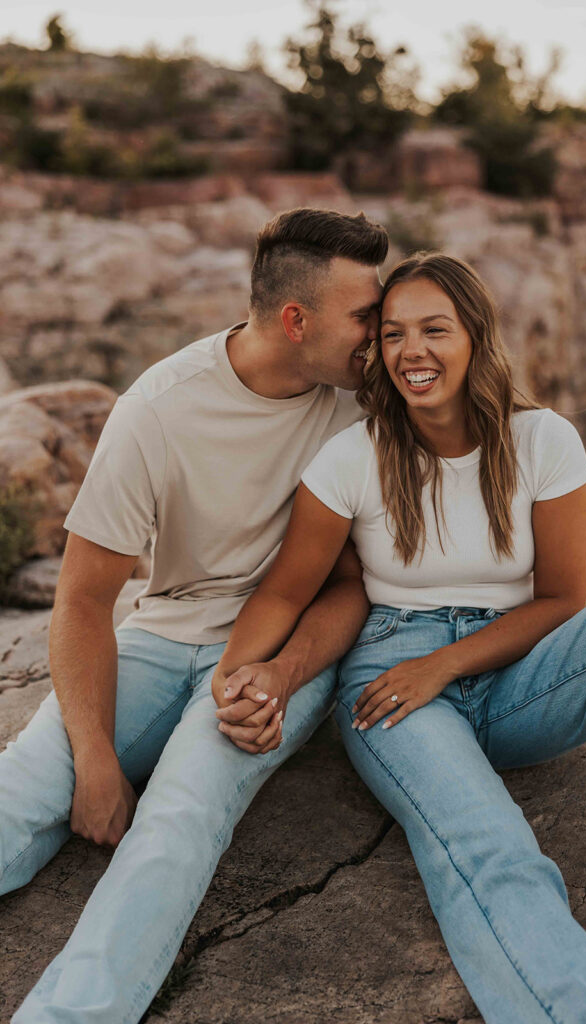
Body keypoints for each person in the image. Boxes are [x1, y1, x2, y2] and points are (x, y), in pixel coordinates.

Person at [213, 253, 586, 1023]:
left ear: (475, 336)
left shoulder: (543, 441)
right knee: (495, 852)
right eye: (393, 334)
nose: (411, 351)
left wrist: (448, 664)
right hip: (390, 681)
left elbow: (564, 598)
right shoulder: (351, 457)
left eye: (434, 329)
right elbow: (287, 589)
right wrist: (239, 674)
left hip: (520, 669)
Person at [0, 207, 387, 1023]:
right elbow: (80, 601)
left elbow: (349, 584)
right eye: (363, 314)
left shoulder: (360, 409)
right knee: (27, 789)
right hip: (159, 634)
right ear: (296, 319)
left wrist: (281, 675)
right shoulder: (160, 406)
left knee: (179, 815)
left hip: (276, 651)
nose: (377, 334)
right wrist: (97, 759)